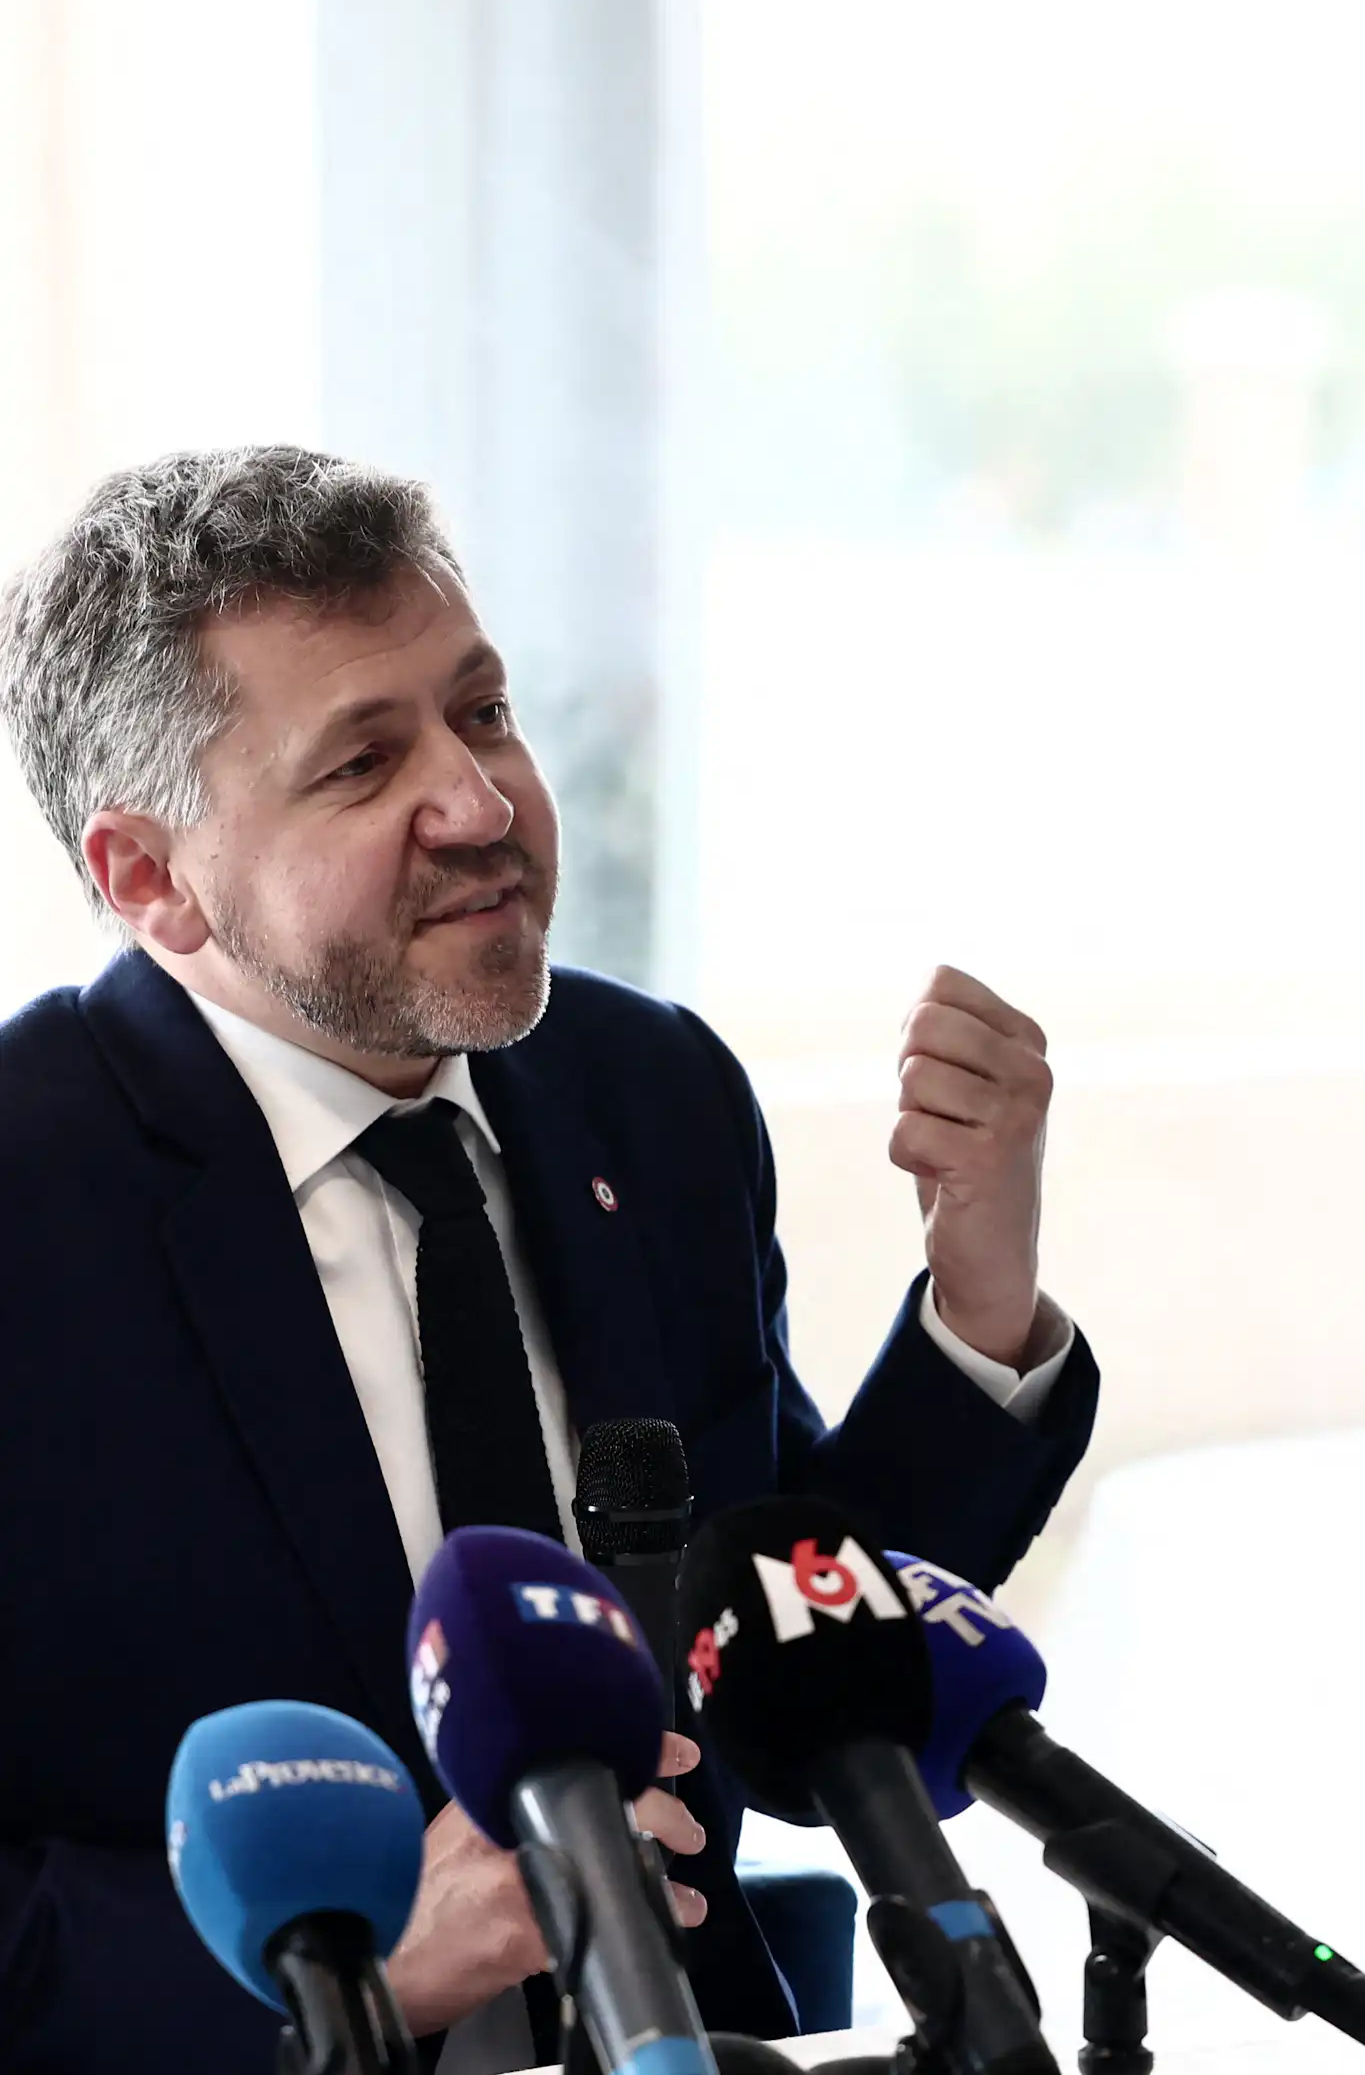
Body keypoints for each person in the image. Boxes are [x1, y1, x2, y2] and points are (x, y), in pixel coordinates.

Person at [0, 447, 1098, 2069]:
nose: (484, 800)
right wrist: (356, 1961)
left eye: (484, 710)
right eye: (367, 763)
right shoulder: (34, 1198)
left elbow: (794, 1660)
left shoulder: (648, 1096)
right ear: (150, 879)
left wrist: (979, 1294)